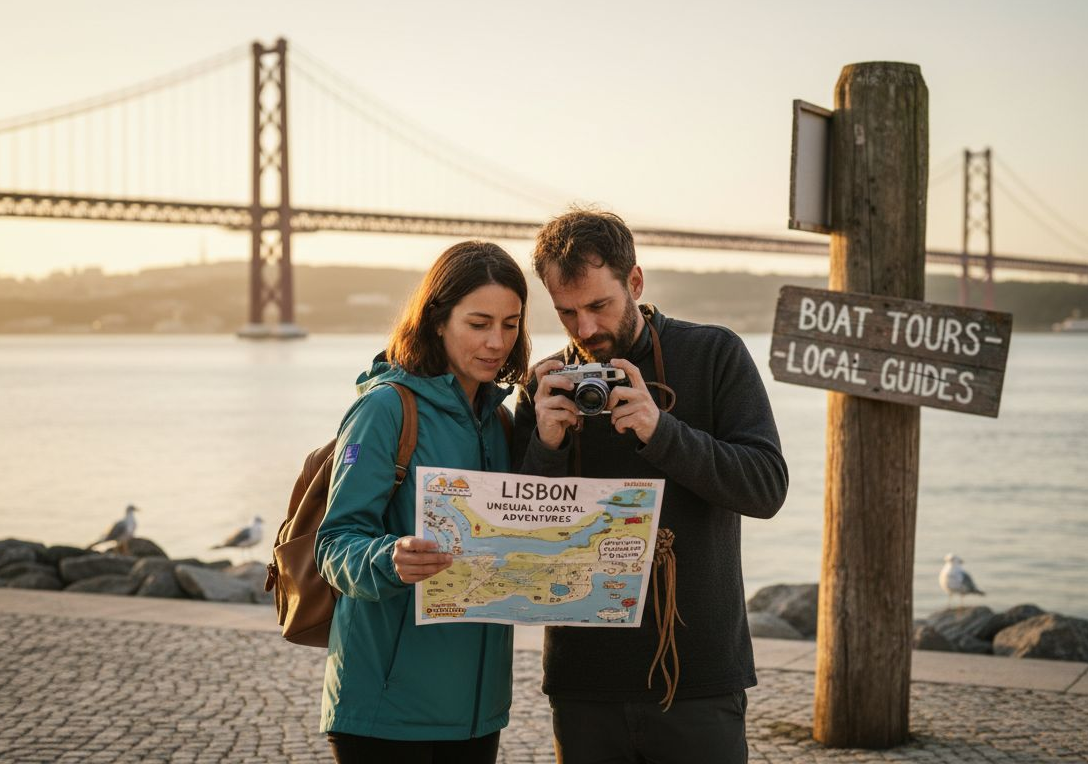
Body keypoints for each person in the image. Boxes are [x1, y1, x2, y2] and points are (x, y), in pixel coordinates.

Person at [515, 209, 788, 764]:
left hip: (698, 673)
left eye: (599, 306)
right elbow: (517, 538)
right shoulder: (546, 385)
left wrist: (661, 432)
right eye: (566, 313)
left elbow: (766, 487)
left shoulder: (713, 354)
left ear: (635, 283)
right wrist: (545, 446)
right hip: (582, 679)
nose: (585, 329)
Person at [315, 240, 531, 764]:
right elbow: (333, 544)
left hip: (479, 712)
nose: (497, 341)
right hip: (385, 710)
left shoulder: (501, 420)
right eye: (478, 323)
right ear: (437, 320)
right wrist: (388, 558)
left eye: (510, 324)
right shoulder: (385, 409)